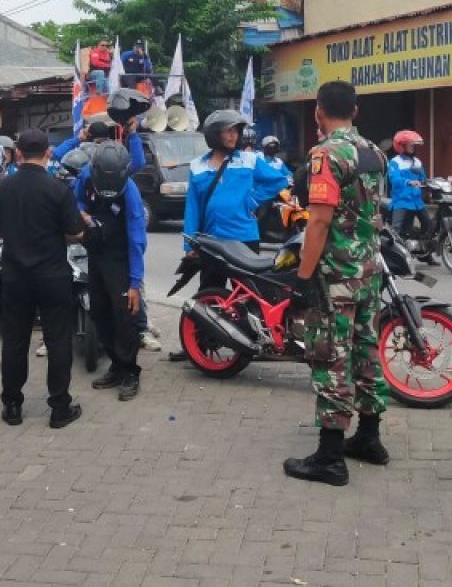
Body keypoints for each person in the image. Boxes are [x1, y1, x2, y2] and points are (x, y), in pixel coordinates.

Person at [283, 81, 390, 488]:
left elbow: (320, 220)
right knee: (366, 350)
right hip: (369, 271)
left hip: (337, 276)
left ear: (318, 112)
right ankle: (369, 437)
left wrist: (304, 277)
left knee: (330, 357)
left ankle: (330, 457)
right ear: (356, 111)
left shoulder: (325, 154)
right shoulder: (374, 153)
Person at [0, 129, 86, 429]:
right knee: (57, 340)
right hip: (53, 275)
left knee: (14, 340)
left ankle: (12, 405)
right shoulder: (57, 189)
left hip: (15, 276)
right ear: (48, 153)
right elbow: (76, 232)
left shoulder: (1, 187)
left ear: (17, 152)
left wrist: (13, 232)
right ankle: (59, 407)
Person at [166, 109, 289, 361]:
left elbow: (280, 180)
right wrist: (189, 241)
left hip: (244, 237)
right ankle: (197, 344)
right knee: (209, 292)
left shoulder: (249, 160)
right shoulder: (198, 165)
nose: (234, 136)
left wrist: (253, 200)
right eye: (228, 131)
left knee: (248, 294)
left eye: (236, 131)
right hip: (211, 240)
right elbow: (193, 206)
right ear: (214, 135)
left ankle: (256, 341)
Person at [76, 141, 147, 400]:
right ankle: (116, 365)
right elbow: (77, 201)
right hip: (96, 253)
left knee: (125, 315)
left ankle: (130, 371)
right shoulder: (85, 176)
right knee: (99, 311)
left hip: (121, 256)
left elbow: (137, 240)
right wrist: (82, 215)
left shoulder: (130, 193)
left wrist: (134, 283)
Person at [388, 130, 431, 239]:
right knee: (395, 231)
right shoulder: (395, 162)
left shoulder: (417, 162)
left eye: (413, 145)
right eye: (410, 145)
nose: (413, 147)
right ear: (402, 146)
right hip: (402, 201)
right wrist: (408, 182)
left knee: (429, 225)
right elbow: (394, 178)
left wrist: (432, 184)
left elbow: (423, 179)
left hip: (417, 201)